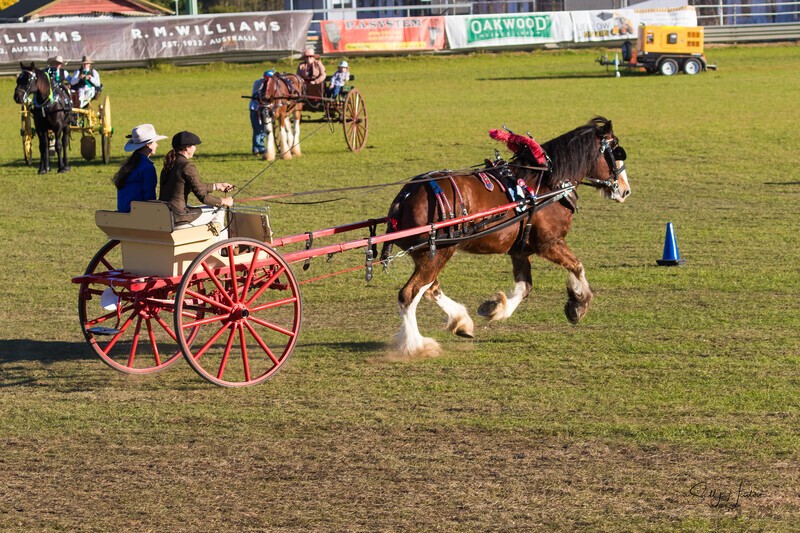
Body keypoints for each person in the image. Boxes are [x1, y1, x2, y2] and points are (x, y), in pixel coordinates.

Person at [158, 131, 235, 229]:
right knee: (219, 210)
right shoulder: (187, 166)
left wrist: (217, 186)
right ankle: (218, 242)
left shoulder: (170, 163)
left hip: (165, 214)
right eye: (194, 145)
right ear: (187, 148)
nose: (195, 148)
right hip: (179, 218)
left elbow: (191, 186)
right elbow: (203, 197)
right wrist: (223, 201)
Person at [114, 124, 168, 213]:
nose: (157, 145)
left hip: (124, 210)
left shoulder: (130, 163)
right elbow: (149, 196)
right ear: (148, 145)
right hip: (138, 213)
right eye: (155, 142)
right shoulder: (147, 167)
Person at [249, 69, 274, 157]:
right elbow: (258, 94)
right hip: (256, 109)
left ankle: (258, 148)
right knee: (257, 129)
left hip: (264, 109)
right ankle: (258, 148)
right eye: (267, 78)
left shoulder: (272, 86)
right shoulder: (258, 83)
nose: (268, 80)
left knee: (263, 129)